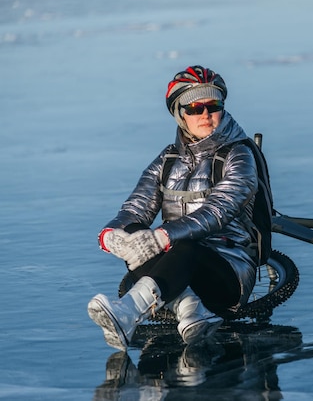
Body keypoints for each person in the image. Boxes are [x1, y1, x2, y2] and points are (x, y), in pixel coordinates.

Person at [88, 65, 259, 351]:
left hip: (227, 271)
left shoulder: (239, 154)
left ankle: (127, 314)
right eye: (194, 107)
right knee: (134, 236)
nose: (204, 114)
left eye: (212, 105)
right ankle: (191, 308)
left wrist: (162, 236)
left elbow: (219, 209)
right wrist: (111, 236)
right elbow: (135, 208)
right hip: (177, 269)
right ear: (180, 114)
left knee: (184, 247)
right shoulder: (167, 159)